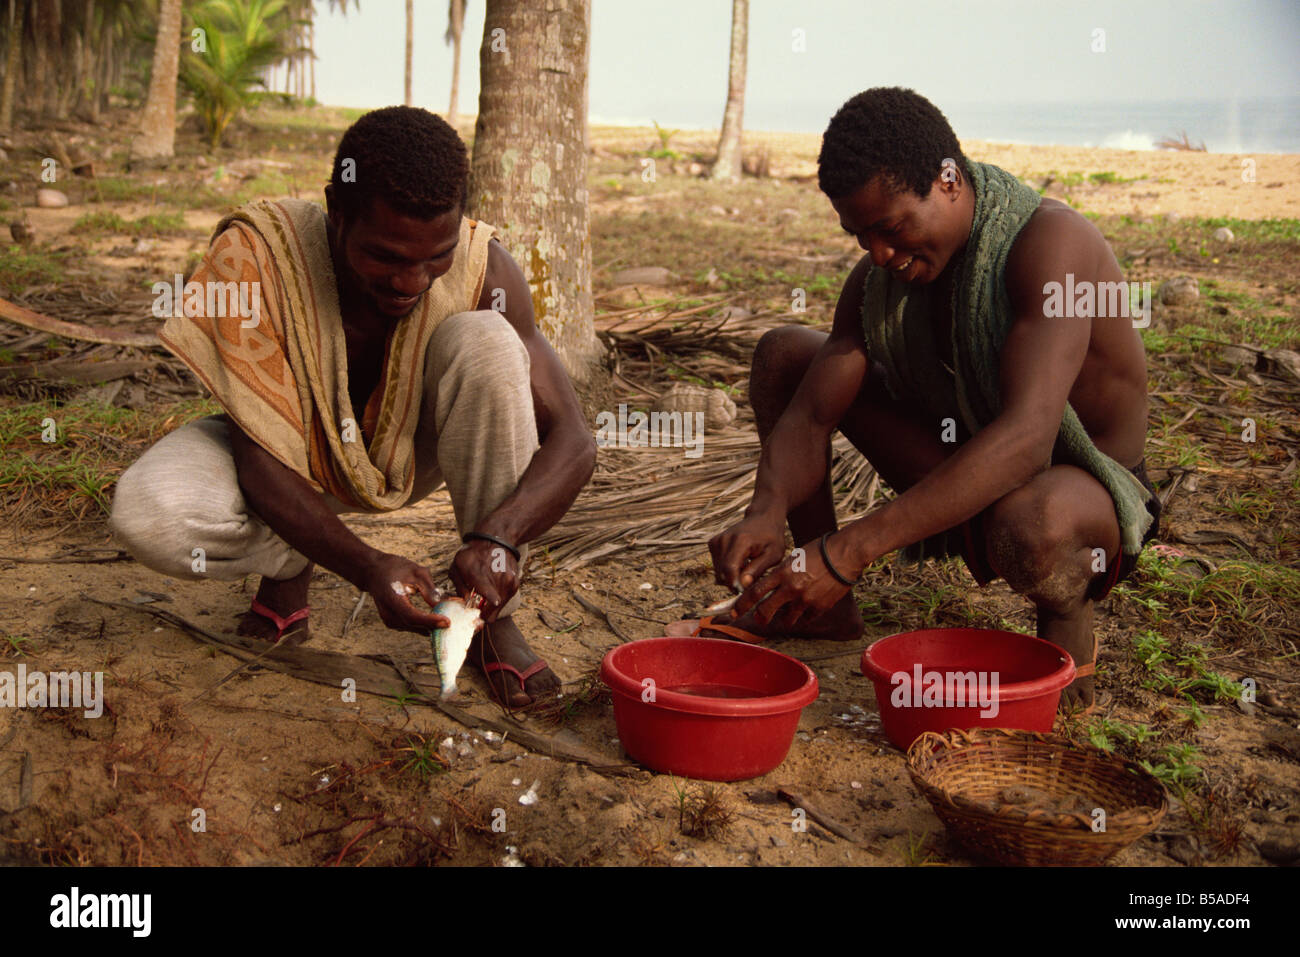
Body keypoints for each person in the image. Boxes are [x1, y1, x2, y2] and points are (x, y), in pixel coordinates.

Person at [110, 106, 595, 708]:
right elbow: (258, 455)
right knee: (148, 514)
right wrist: (366, 566)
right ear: (335, 214)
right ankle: (292, 565)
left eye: (434, 256)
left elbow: (574, 438)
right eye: (387, 256)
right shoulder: (255, 259)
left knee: (489, 342)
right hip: (284, 451)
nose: (412, 281)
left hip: (410, 452)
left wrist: (499, 538)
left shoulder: (484, 268)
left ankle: (491, 616)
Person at [699, 88, 1160, 710]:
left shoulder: (1051, 247)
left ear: (947, 180)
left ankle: (1065, 630)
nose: (880, 254)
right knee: (786, 355)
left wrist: (850, 550)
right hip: (970, 458)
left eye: (890, 227)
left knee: (1033, 522)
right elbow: (810, 412)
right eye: (861, 236)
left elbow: (1027, 440)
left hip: (1084, 490)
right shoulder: (882, 278)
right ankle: (823, 614)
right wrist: (766, 509)